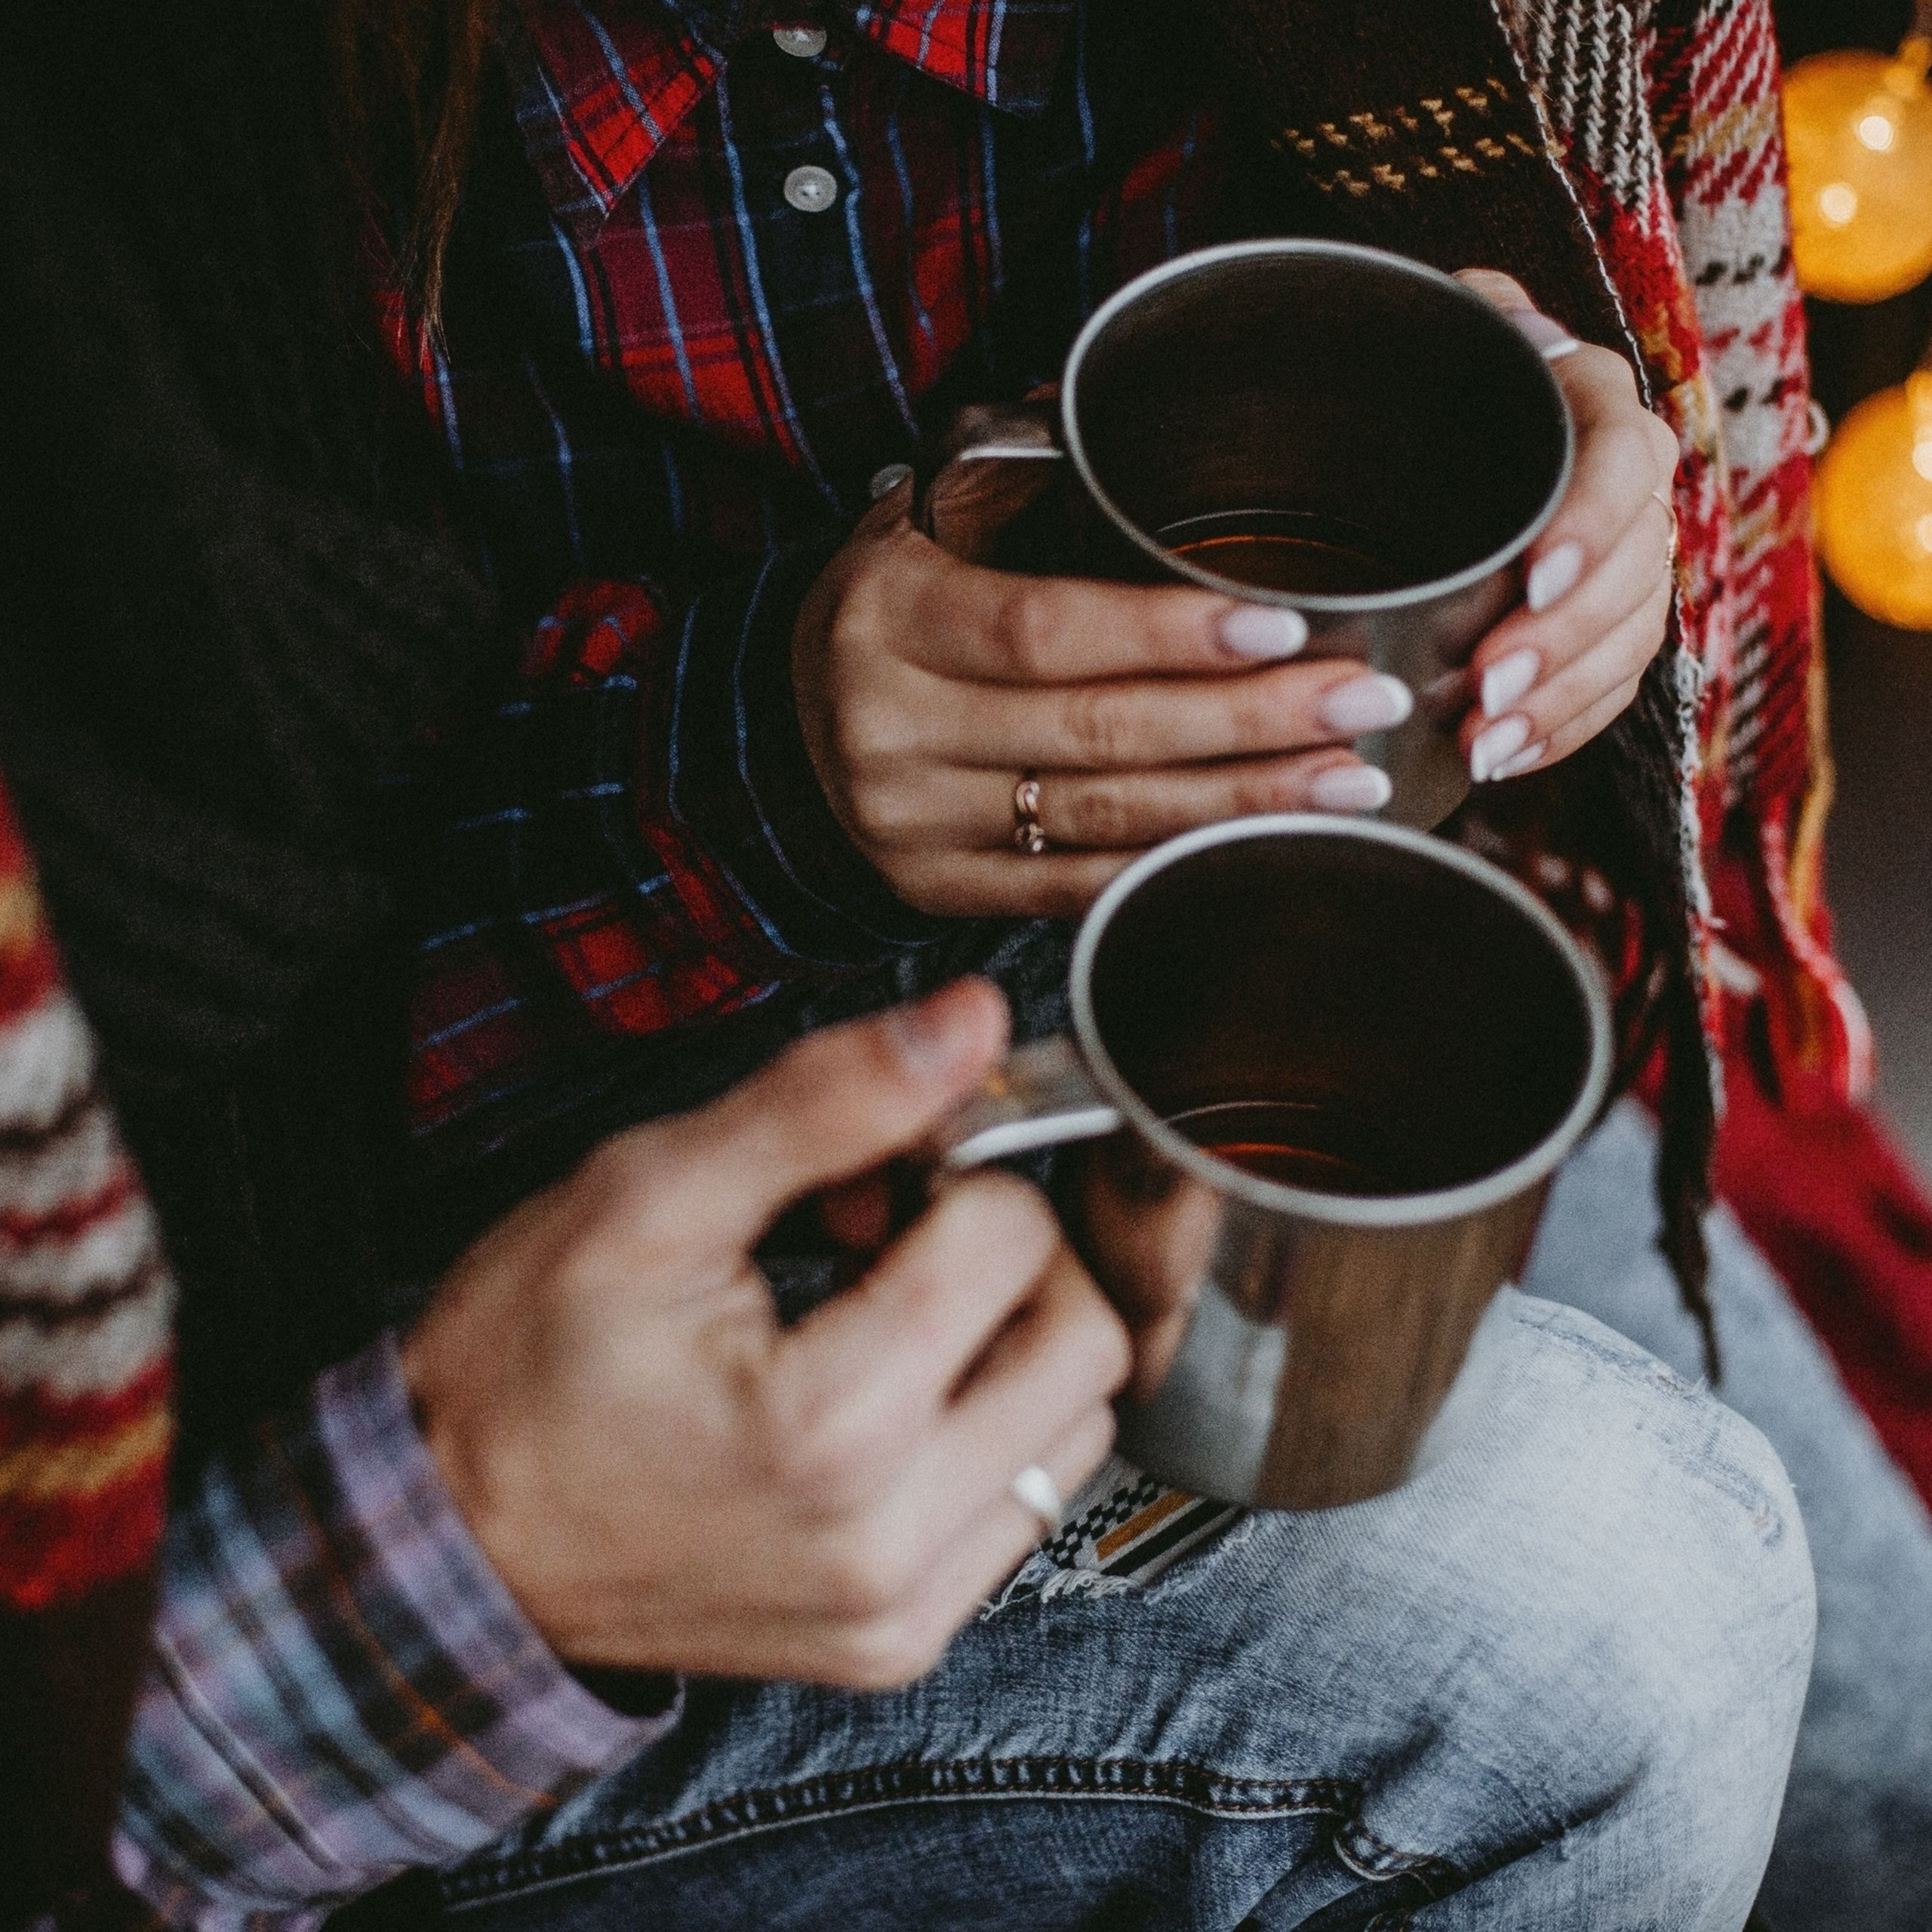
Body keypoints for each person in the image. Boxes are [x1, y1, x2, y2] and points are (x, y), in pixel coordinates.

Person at [0, 0, 1896, 1924]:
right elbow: (208, 1094)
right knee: (1621, 1624)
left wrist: (1555, 469)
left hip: (1193, 1019)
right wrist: (757, 774)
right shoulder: (144, 159)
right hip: (470, 1372)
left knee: (1887, 1774)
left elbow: (1406, 366)